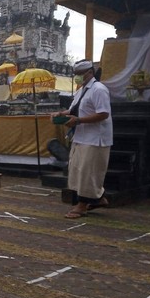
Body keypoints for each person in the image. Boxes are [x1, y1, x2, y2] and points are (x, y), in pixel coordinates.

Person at [51, 59, 113, 219]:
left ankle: (82, 205)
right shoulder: (81, 90)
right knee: (77, 169)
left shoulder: (99, 89)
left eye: (79, 74)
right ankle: (99, 198)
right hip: (81, 136)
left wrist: (79, 120)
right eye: (76, 74)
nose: (77, 77)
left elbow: (103, 113)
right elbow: (73, 109)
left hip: (95, 138)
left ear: (90, 73)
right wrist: (61, 114)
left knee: (87, 172)